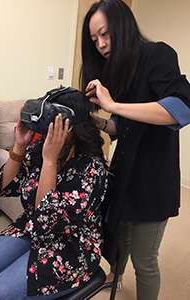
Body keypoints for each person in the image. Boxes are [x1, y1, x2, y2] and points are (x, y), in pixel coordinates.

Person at [80, 0, 190, 299]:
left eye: (105, 34)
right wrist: (99, 122)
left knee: (145, 260)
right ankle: (115, 277)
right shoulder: (122, 67)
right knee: (120, 240)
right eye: (94, 40)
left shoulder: (159, 54)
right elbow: (121, 126)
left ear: (123, 24)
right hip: (124, 174)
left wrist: (113, 105)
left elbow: (181, 110)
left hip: (154, 180)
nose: (101, 45)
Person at [0, 89, 108, 300]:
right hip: (31, 228)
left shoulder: (90, 169)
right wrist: (20, 146)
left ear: (72, 124)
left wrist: (50, 161)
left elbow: (47, 221)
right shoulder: (39, 149)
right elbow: (5, 187)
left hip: (71, 246)